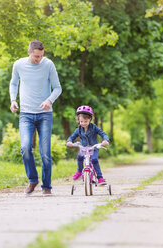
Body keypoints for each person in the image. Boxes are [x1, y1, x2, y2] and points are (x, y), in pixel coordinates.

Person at [9, 40, 62, 195]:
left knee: (45, 153)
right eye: (36, 56)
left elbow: (58, 87)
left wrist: (49, 100)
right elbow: (13, 84)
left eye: (41, 56)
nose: (39, 59)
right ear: (29, 52)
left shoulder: (49, 65)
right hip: (26, 114)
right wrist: (13, 100)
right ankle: (33, 180)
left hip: (45, 114)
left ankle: (47, 186)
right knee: (25, 147)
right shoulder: (18, 65)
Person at [66, 105, 109, 184]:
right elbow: (72, 137)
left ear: (90, 119)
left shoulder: (94, 127)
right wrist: (69, 142)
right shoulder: (78, 129)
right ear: (78, 120)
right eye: (81, 121)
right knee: (79, 157)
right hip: (84, 148)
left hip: (93, 148)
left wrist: (105, 140)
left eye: (85, 121)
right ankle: (79, 171)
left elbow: (103, 134)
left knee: (94, 160)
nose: (83, 123)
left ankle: (100, 178)